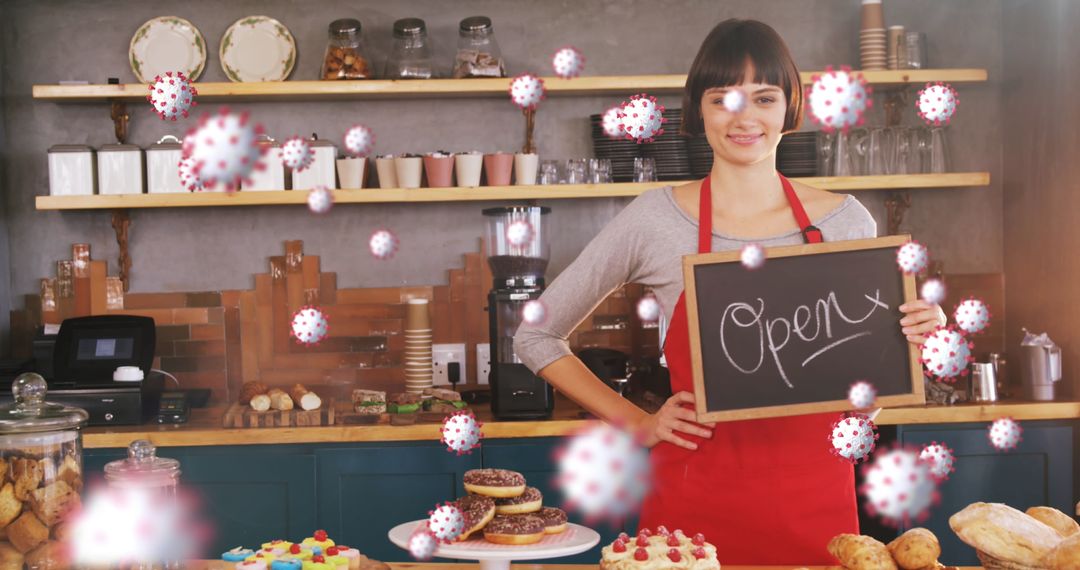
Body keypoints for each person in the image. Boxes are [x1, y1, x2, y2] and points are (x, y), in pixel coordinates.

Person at [514, 18, 946, 565]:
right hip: (691, 513)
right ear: (699, 111)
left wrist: (914, 344)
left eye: (764, 98)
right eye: (723, 99)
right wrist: (639, 424)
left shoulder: (845, 222)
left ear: (790, 107)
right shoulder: (655, 219)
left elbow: (867, 400)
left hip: (817, 506)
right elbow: (536, 335)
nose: (744, 117)